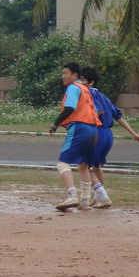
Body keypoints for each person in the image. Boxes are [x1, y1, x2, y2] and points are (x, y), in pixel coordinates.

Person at [80, 66, 139, 208]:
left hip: (97, 133)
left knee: (83, 165)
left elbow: (98, 111)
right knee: (96, 167)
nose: (79, 83)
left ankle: (103, 196)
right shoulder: (104, 97)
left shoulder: (89, 94)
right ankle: (99, 197)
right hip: (108, 135)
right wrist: (134, 134)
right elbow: (118, 117)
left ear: (91, 82)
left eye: (82, 80)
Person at [49, 62, 102, 211]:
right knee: (84, 165)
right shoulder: (86, 89)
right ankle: (86, 201)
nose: (63, 76)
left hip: (80, 128)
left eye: (65, 73)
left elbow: (70, 108)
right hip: (94, 129)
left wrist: (55, 124)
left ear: (75, 75)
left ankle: (72, 195)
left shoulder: (73, 87)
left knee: (62, 163)